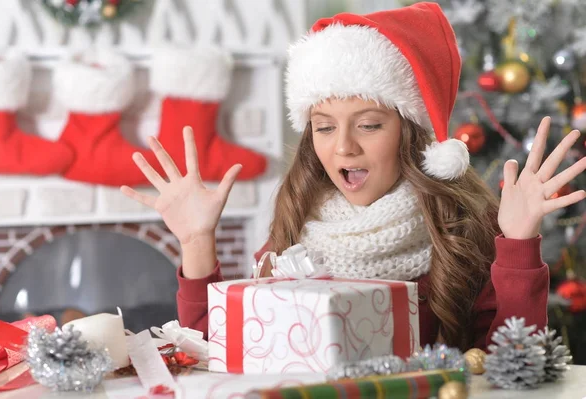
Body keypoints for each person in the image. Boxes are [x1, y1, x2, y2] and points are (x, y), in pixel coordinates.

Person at [121, 2, 586, 351]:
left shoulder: (467, 230)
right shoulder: (297, 228)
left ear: (412, 134)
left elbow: (514, 358)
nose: (343, 146)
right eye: (324, 127)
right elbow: (218, 351)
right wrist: (197, 242)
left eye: (368, 125)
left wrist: (519, 243)